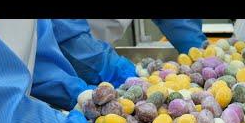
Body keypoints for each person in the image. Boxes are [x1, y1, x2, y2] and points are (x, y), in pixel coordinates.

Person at [51, 19, 207, 88]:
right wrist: (108, 68)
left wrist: (192, 42)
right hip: (57, 54)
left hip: (104, 45)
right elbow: (62, 29)